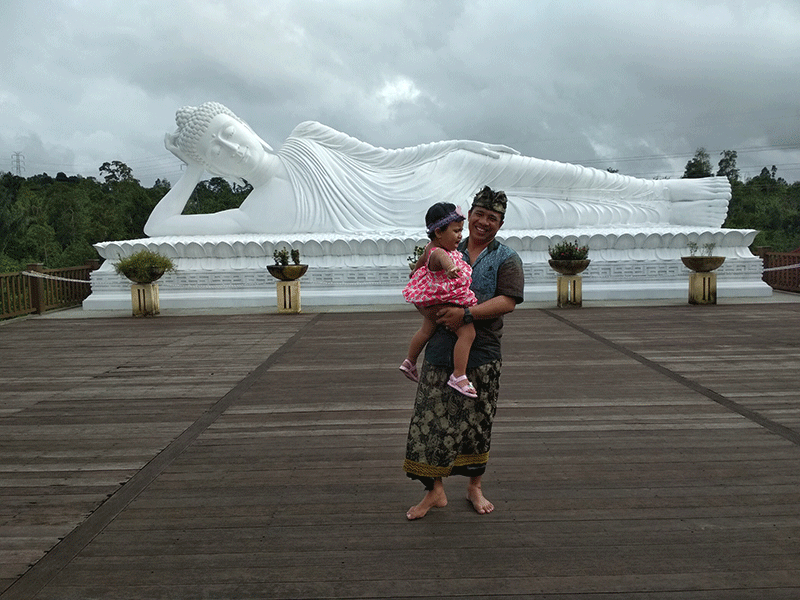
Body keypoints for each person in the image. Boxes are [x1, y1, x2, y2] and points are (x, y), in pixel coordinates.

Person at [144, 102, 731, 238]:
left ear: (245, 123)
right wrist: (191, 171)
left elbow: (386, 156)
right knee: (557, 213)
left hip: (434, 172)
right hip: (432, 219)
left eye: (230, 131)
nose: (233, 147)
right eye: (217, 150)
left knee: (569, 180)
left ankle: (663, 191)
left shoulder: (306, 136)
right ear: (212, 164)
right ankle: (672, 217)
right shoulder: (252, 214)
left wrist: (456, 141)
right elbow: (158, 229)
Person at [403, 186, 524, 520]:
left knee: (477, 423)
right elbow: (418, 282)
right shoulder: (444, 247)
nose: (484, 222)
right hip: (440, 350)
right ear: (468, 216)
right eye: (479, 214)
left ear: (500, 223)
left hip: (482, 353)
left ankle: (474, 486)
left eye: (492, 218)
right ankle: (434, 491)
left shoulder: (506, 258)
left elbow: (508, 301)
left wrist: (466, 315)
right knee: (430, 422)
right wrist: (430, 311)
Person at [400, 202, 479, 398]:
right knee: (467, 332)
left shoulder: (429, 248)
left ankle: (409, 361)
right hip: (444, 302)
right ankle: (459, 375)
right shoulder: (440, 252)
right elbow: (445, 259)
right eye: (456, 231)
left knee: (426, 330)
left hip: (433, 301)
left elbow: (420, 263)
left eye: (461, 231)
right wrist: (451, 268)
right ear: (438, 232)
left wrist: (414, 273)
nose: (460, 235)